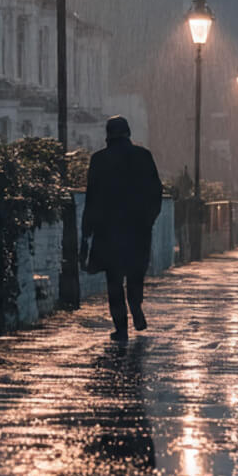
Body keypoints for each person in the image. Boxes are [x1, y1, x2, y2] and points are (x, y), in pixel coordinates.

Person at [81, 115, 164, 342]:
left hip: (109, 232)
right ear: (128, 133)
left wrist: (86, 231)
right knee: (136, 274)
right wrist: (148, 219)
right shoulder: (143, 157)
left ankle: (121, 327)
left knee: (114, 281)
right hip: (138, 230)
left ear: (108, 134)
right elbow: (156, 192)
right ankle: (136, 307)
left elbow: (92, 198)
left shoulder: (99, 160)